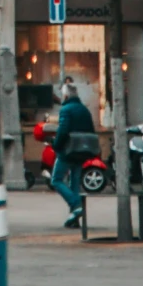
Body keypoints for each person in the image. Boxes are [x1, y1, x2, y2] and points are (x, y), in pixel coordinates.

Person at [49, 77, 94, 230]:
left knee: (56, 180)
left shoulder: (66, 110)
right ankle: (74, 218)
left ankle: (76, 206)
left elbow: (62, 131)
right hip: (82, 150)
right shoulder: (84, 109)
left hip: (67, 151)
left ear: (66, 96)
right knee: (75, 183)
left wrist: (56, 145)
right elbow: (91, 130)